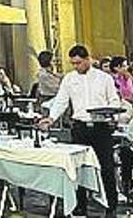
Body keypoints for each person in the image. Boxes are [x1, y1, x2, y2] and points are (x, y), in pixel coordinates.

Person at [41, 44, 121, 216]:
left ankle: (111, 205)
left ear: (87, 60)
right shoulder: (69, 79)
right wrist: (51, 118)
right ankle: (80, 205)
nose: (76, 67)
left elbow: (114, 101)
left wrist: (110, 112)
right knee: (78, 167)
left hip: (100, 127)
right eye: (73, 64)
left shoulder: (104, 78)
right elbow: (61, 101)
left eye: (78, 63)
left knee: (106, 167)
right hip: (80, 128)